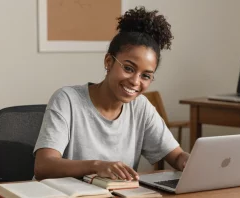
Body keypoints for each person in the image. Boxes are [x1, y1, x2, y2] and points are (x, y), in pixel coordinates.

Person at [34, 6, 189, 181]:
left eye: (146, 76)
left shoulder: (141, 107)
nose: (135, 81)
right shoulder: (67, 100)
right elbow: (44, 166)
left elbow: (176, 157)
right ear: (109, 62)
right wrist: (96, 166)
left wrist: (189, 161)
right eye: (128, 68)